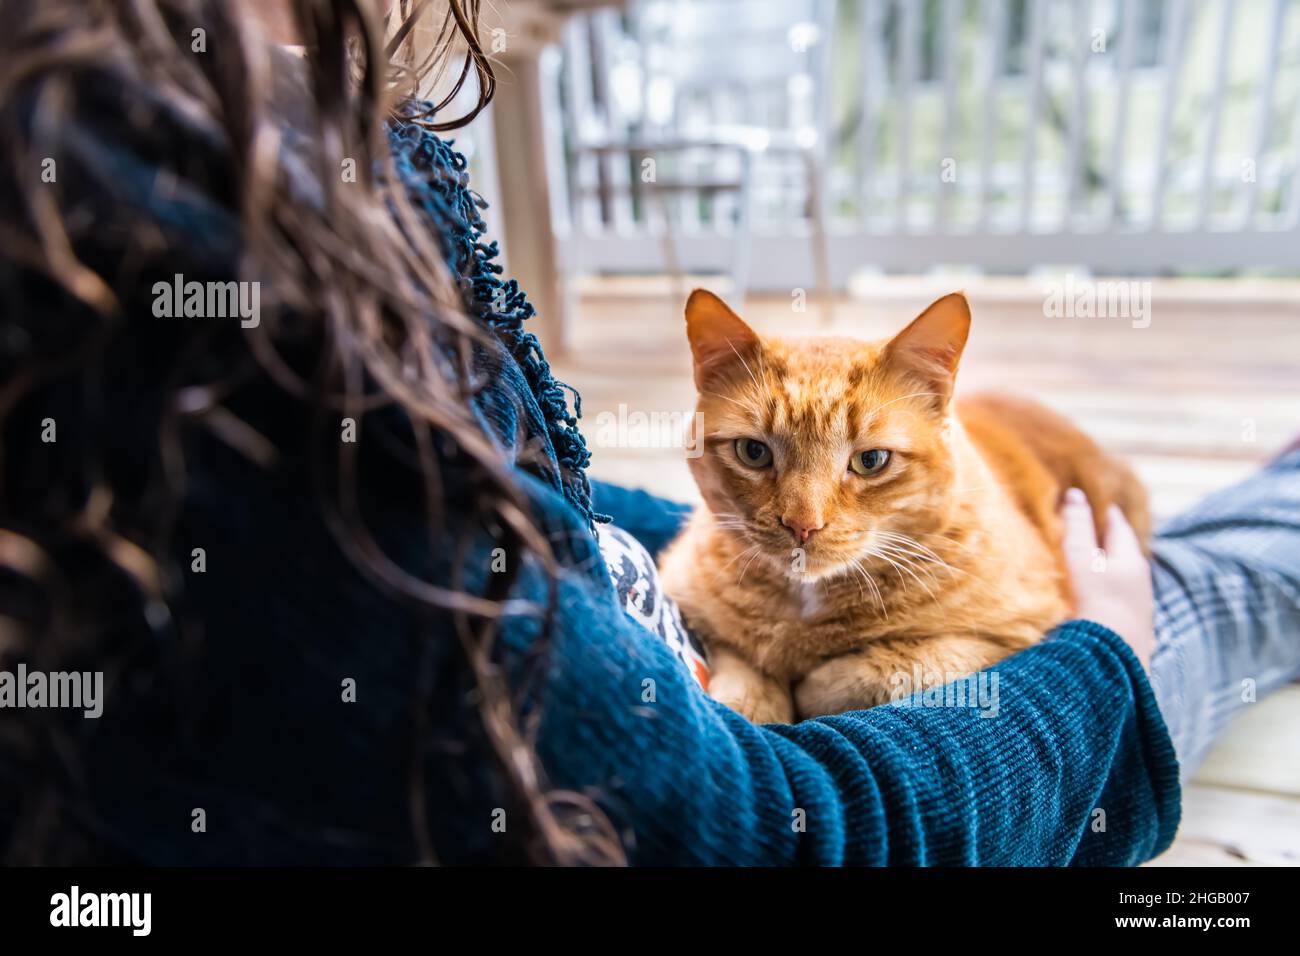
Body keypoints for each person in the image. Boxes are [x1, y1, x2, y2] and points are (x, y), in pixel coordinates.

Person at [0, 0, 1294, 867]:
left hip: (942, 571)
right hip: (891, 746)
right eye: (756, 460)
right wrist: (1102, 658)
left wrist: (704, 540)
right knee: (1216, 586)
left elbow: (493, 515)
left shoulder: (214, 136)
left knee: (1217, 545)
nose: (803, 511)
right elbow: (749, 830)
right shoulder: (202, 281)